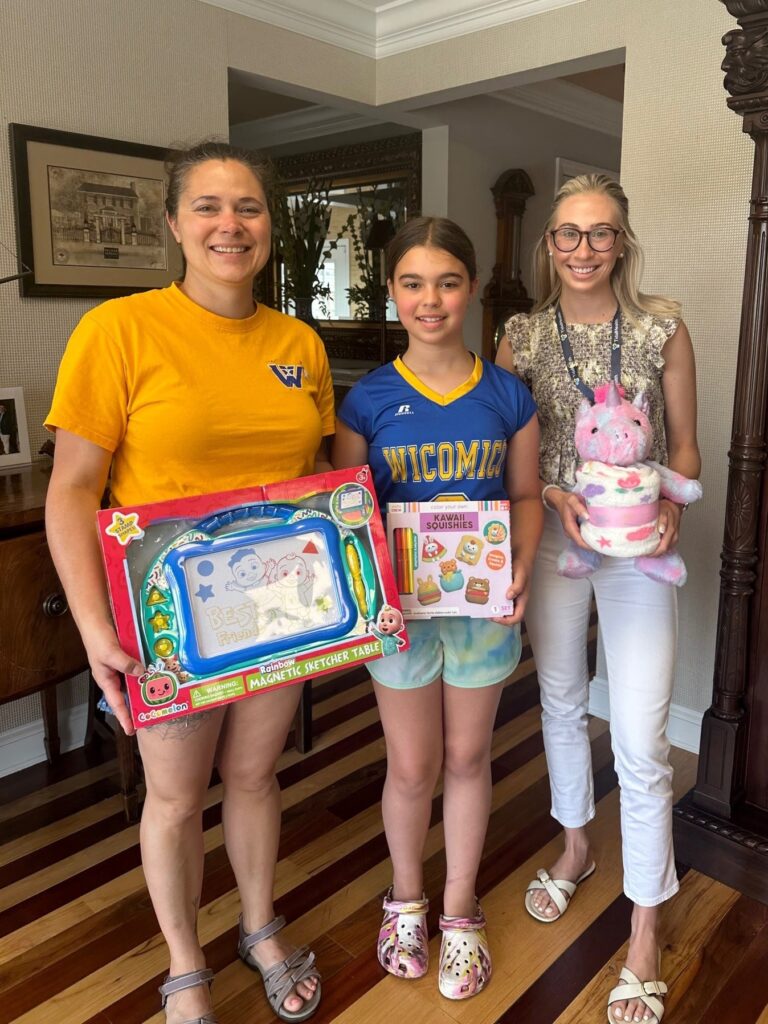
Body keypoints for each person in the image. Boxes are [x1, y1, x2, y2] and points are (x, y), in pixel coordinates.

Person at [45, 141, 332, 1024]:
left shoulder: (299, 342)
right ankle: (184, 966)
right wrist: (98, 631)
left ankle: (257, 924)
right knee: (174, 798)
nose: (229, 225)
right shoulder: (117, 330)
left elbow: (314, 481)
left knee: (252, 777)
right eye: (207, 207)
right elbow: (72, 490)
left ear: (270, 228)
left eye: (247, 207)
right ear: (174, 223)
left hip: (276, 606)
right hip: (165, 617)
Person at [496, 174, 700, 1024]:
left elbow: (686, 448)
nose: (584, 249)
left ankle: (646, 926)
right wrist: (551, 492)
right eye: (568, 234)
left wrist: (670, 511)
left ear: (624, 241)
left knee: (645, 737)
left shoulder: (661, 328)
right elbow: (502, 447)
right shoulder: (519, 335)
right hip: (555, 540)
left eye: (601, 233)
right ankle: (578, 843)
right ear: (550, 245)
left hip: (639, 549)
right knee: (560, 699)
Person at [333, 217, 542, 1001]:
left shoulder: (506, 394)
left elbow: (523, 495)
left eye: (448, 282)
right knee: (413, 765)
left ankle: (459, 910)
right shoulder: (369, 400)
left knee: (466, 760)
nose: (431, 300)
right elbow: (345, 517)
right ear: (392, 294)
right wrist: (366, 599)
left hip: (482, 609)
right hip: (401, 615)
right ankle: (406, 901)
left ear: (473, 288)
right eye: (413, 283)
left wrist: (520, 564)